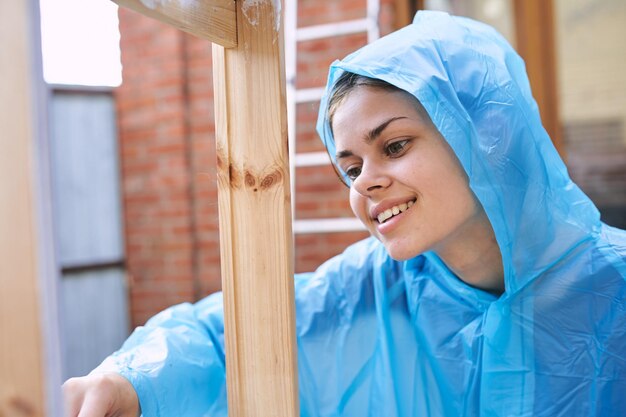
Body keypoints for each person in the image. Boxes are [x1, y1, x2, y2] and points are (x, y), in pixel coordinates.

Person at [63, 11, 626, 416]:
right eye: (351, 166)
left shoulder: (615, 287)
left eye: (396, 145)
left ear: (486, 134)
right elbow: (231, 335)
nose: (367, 182)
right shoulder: (375, 287)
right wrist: (128, 381)